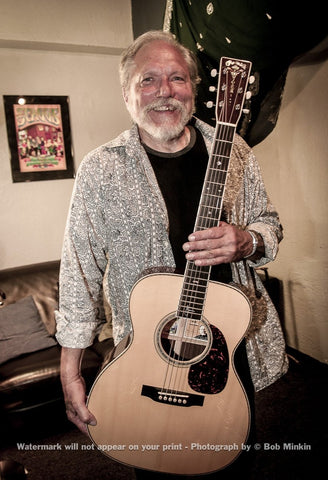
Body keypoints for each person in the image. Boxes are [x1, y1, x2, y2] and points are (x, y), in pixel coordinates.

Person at [55, 30, 288, 478]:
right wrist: (70, 371)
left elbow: (269, 224)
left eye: (177, 78)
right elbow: (78, 272)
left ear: (196, 90)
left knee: (235, 462)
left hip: (225, 348)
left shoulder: (234, 151)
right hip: (146, 357)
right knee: (154, 466)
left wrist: (248, 240)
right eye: (148, 80)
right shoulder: (101, 169)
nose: (164, 91)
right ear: (126, 94)